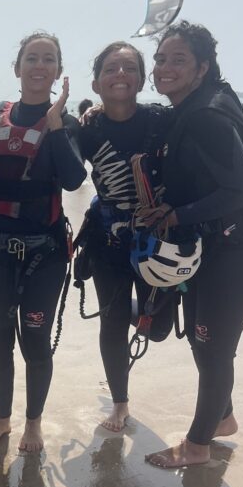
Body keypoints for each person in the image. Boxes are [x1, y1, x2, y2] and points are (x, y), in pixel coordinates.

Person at [136, 22, 243, 468]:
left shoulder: (204, 113)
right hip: (219, 241)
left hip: (241, 245)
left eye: (179, 59)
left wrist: (177, 216)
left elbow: (240, 189)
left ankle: (197, 446)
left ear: (202, 68)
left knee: (212, 344)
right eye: (160, 59)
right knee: (202, 338)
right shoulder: (205, 100)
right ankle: (224, 418)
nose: (165, 67)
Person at [0, 32, 86, 453]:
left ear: (57, 71)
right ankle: (2, 418)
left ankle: (33, 422)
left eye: (48, 59)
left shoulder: (64, 122)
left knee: (34, 340)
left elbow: (72, 179)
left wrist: (53, 127)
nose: (39, 65)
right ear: (18, 68)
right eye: (32, 58)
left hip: (44, 254)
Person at [77, 42, 171, 431]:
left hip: (159, 238)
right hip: (109, 240)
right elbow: (60, 169)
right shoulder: (87, 128)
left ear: (141, 78)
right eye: (110, 68)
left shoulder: (162, 119)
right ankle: (120, 402)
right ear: (97, 82)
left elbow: (210, 146)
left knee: (161, 328)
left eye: (128, 67)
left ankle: (144, 312)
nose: (120, 74)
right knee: (112, 323)